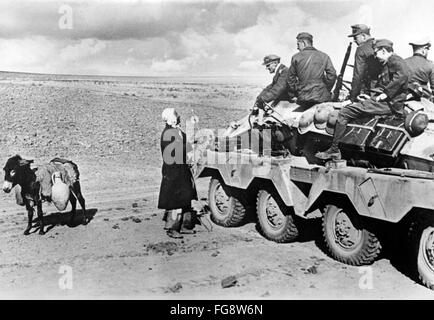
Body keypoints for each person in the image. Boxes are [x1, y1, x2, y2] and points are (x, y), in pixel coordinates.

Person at [316, 39, 410, 160]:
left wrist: (385, 94)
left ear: (383, 51)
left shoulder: (395, 60)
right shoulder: (389, 63)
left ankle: (334, 150)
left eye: (376, 53)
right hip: (386, 103)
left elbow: (403, 75)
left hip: (389, 105)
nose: (375, 57)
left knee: (345, 112)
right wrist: (371, 97)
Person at [157, 108, 198, 239]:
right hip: (173, 171)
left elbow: (187, 145)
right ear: (171, 118)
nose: (179, 116)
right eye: (176, 115)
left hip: (182, 169)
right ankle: (172, 228)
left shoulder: (178, 132)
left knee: (186, 197)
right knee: (175, 200)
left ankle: (185, 225)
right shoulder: (168, 133)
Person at [287, 32, 337, 108]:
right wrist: (326, 89)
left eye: (298, 44)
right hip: (322, 96)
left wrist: (292, 95)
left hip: (303, 97)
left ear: (303, 43)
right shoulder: (324, 56)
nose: (297, 47)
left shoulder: (296, 57)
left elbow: (290, 79)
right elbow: (332, 74)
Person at [347, 24, 382, 101]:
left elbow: (358, 75)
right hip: (383, 90)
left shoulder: (361, 49)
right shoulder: (381, 45)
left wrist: (353, 97)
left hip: (370, 91)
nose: (354, 40)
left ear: (363, 36)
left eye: (355, 37)